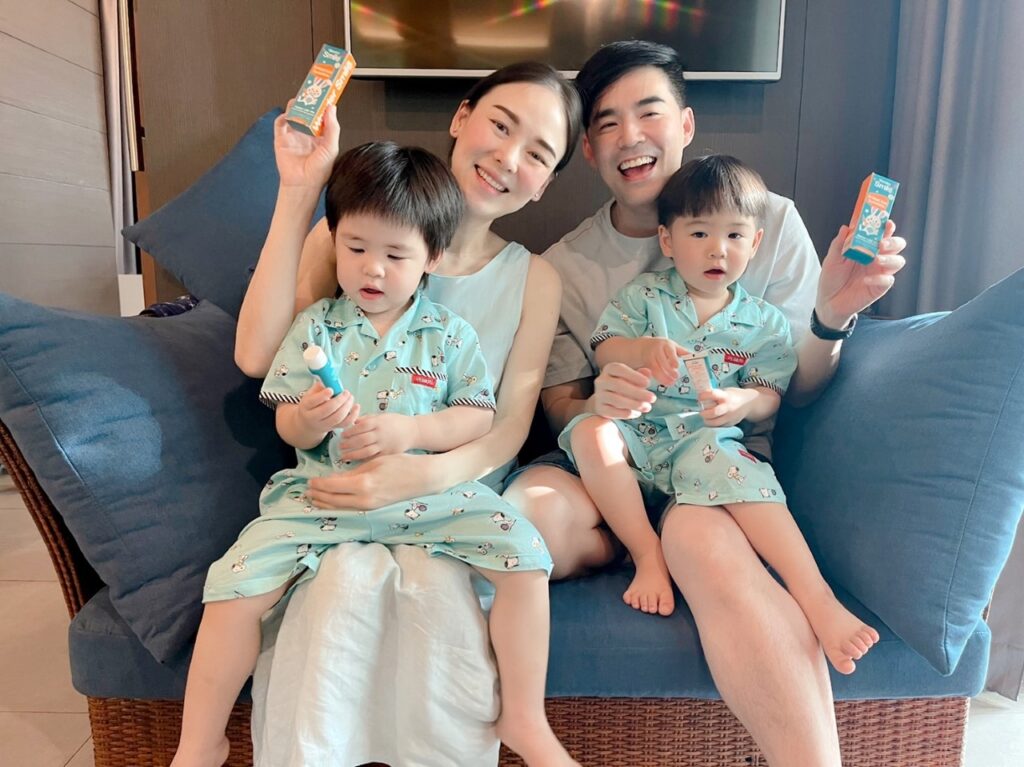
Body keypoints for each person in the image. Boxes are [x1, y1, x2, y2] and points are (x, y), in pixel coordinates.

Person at [503, 41, 906, 765]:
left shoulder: (765, 219)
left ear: (685, 124)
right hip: (617, 456)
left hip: (713, 459)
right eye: (606, 123)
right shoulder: (567, 264)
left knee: (704, 544)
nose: (630, 136)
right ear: (588, 149)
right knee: (528, 517)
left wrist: (831, 317)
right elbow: (560, 402)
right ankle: (635, 545)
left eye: (649, 112)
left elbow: (795, 388)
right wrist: (600, 395)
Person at [173, 141, 577, 767]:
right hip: (322, 497)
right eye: (356, 249)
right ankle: (201, 742)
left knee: (526, 558)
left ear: (431, 258)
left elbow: (477, 416)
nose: (373, 270)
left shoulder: (450, 336)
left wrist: (410, 431)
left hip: (430, 500)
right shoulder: (316, 327)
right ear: (335, 240)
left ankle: (524, 717)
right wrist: (307, 419)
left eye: (395, 255)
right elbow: (286, 420)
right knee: (231, 587)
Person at [560, 153, 881, 674]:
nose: (718, 249)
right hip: (636, 431)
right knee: (591, 432)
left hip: (704, 440)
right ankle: (647, 555)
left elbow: (769, 394)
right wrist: (642, 351)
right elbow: (606, 347)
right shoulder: (644, 296)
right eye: (699, 233)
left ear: (756, 243)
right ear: (667, 241)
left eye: (735, 235)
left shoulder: (764, 323)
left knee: (743, 474)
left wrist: (741, 403)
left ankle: (817, 598)